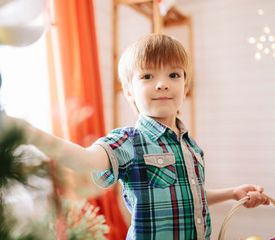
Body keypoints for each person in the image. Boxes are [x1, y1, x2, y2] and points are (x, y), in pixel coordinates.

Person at [20, 34, 270, 239]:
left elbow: (192, 195)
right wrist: (29, 133)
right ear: (129, 91)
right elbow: (84, 160)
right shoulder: (129, 141)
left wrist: (232, 192)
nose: (162, 84)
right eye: (148, 76)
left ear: (186, 85)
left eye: (173, 75)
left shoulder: (192, 147)